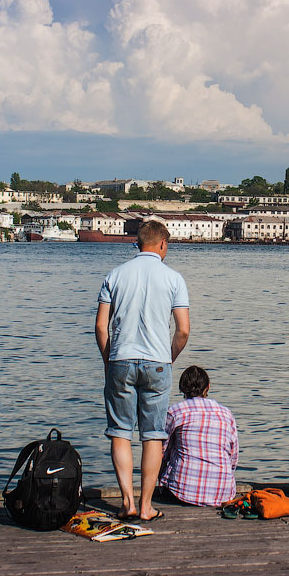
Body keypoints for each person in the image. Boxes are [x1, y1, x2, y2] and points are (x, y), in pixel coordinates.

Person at [95, 220, 191, 522]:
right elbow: (183, 331)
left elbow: (101, 326)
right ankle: (147, 505)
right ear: (162, 244)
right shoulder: (174, 279)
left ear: (138, 244)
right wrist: (169, 358)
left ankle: (127, 503)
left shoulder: (115, 275)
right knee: (153, 435)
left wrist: (109, 360)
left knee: (120, 433)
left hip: (121, 359)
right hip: (157, 362)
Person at [159, 366, 239, 507]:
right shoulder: (226, 413)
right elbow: (233, 458)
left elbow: (161, 452)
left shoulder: (175, 411)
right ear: (207, 387)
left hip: (182, 492)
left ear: (182, 388)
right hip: (223, 493)